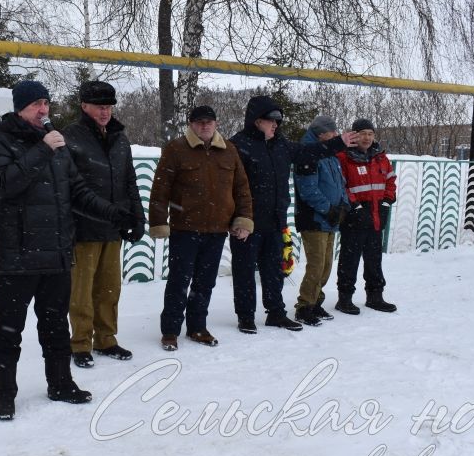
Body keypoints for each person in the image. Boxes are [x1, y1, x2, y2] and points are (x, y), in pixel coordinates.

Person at [0, 80, 132, 421]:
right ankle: (3, 394)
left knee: (55, 327)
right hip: (17, 256)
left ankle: (61, 383)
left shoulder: (57, 147)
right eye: (36, 104)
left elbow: (76, 191)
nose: (44, 109)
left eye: (46, 102)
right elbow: (5, 185)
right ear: (20, 108)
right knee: (7, 330)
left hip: (57, 255)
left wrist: (110, 212)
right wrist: (43, 150)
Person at [229, 96, 357, 333]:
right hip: (247, 221)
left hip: (275, 220)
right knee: (245, 271)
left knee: (273, 271)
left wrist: (338, 143)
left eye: (278, 120)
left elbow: (310, 152)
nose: (276, 125)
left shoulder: (281, 145)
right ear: (257, 121)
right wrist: (236, 219)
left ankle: (276, 313)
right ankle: (245, 316)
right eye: (271, 120)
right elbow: (228, 186)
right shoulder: (238, 145)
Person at [149, 105, 254, 350]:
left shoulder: (229, 150)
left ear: (216, 123)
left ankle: (197, 327)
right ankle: (170, 331)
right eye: (199, 122)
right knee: (178, 280)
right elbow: (160, 189)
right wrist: (158, 222)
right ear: (191, 124)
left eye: (208, 121)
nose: (204, 126)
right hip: (184, 228)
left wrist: (243, 219)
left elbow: (242, 189)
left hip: (217, 230)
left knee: (205, 282)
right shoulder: (176, 149)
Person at [63, 80, 145, 369]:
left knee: (110, 288)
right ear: (84, 106)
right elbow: (70, 187)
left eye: (108, 107)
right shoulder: (71, 137)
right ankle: (80, 343)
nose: (105, 112)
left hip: (114, 225)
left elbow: (130, 180)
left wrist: (137, 216)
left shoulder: (119, 137)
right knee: (82, 291)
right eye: (99, 107)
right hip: (84, 226)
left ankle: (106, 338)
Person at [335, 118, 398, 314]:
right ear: (354, 135)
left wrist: (387, 202)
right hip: (354, 216)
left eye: (370, 134)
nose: (367, 138)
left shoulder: (381, 157)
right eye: (362, 133)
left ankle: (375, 296)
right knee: (350, 259)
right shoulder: (343, 157)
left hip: (376, 213)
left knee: (374, 258)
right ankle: (344, 298)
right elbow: (341, 186)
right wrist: (355, 207)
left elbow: (390, 181)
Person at [292, 115, 351, 326]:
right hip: (314, 219)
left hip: (331, 218)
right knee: (316, 265)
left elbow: (340, 183)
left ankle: (316, 301)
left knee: (326, 265)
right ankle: (304, 306)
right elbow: (308, 189)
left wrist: (343, 205)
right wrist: (328, 209)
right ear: (321, 134)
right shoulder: (308, 154)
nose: (336, 135)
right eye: (332, 132)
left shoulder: (330, 154)